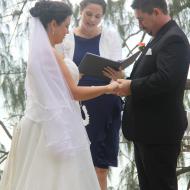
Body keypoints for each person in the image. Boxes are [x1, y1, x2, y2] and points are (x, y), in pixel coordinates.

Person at [0, 1, 119, 190]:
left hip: (39, 124)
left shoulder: (42, 52)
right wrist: (108, 88)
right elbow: (74, 92)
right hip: (53, 128)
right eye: (65, 25)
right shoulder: (51, 54)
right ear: (53, 24)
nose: (67, 31)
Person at [116, 0, 190, 190]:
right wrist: (125, 79)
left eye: (141, 19)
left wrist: (131, 86)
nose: (139, 25)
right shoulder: (158, 37)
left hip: (160, 131)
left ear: (156, 12)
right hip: (146, 130)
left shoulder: (174, 39)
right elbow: (149, 74)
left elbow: (166, 79)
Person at [56, 0, 124, 189]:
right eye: (88, 14)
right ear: (80, 11)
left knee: (100, 166)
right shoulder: (65, 37)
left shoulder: (110, 36)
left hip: (106, 104)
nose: (92, 20)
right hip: (77, 106)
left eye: (97, 16)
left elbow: (121, 74)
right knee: (74, 164)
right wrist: (78, 73)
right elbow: (58, 74)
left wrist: (119, 75)